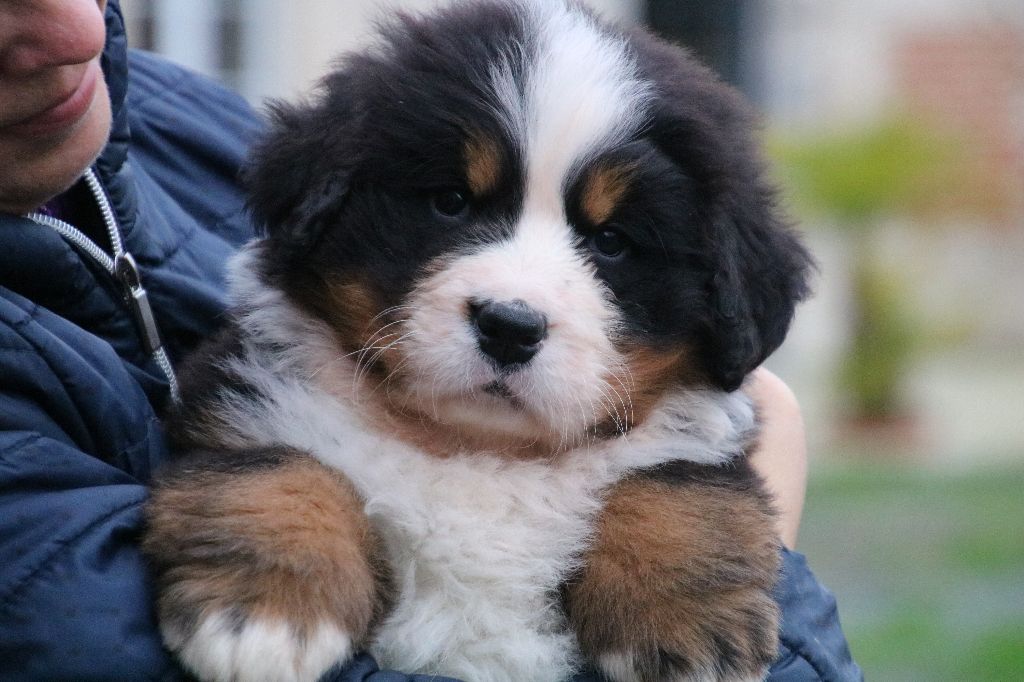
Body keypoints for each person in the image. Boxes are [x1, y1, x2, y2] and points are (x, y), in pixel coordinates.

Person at [0, 1, 862, 680]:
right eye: (453, 203)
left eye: (610, 243)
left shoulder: (172, 130)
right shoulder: (278, 404)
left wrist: (699, 556)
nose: (517, 300)